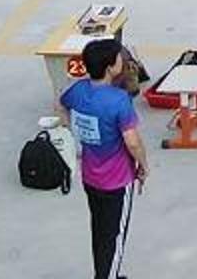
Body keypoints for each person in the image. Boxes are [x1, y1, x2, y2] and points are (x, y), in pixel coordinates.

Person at [64, 35, 148, 279]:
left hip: (90, 177)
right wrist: (143, 165)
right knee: (115, 237)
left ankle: (102, 273)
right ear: (110, 68)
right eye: (118, 58)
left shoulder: (78, 90)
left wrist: (76, 133)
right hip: (117, 180)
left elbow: (60, 105)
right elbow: (132, 141)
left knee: (100, 231)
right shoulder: (119, 100)